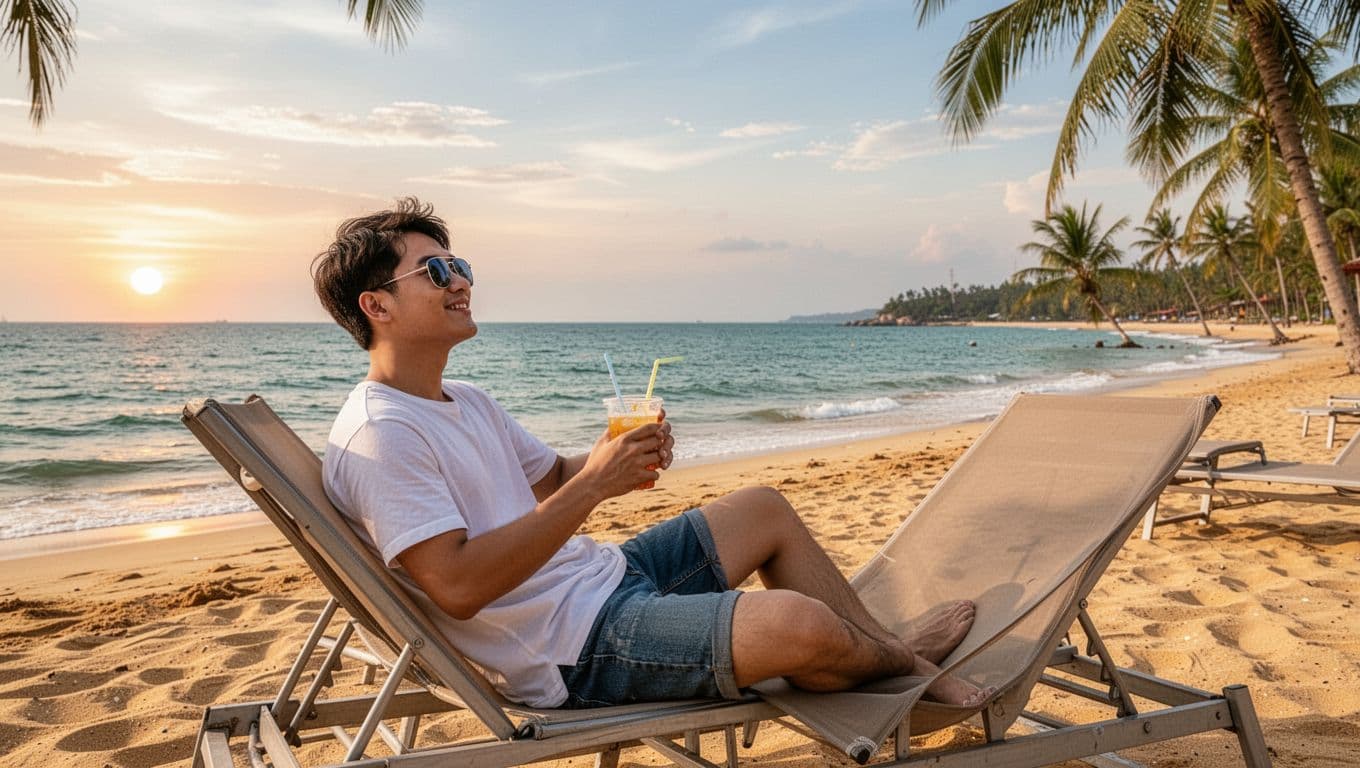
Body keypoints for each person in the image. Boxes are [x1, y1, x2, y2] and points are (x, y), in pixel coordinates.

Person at [314, 198, 987, 710]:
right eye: (435, 270)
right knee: (799, 624)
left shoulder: (463, 398)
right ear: (377, 305)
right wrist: (594, 489)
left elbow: (552, 477)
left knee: (763, 509)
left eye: (459, 265)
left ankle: (887, 653)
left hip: (601, 580)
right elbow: (457, 588)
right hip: (573, 648)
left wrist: (615, 455)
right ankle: (905, 659)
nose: (459, 280)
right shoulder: (381, 434)